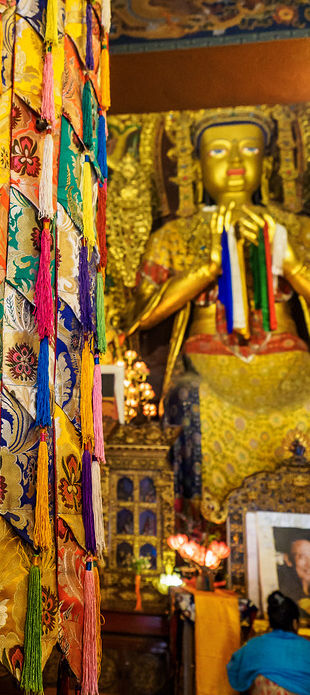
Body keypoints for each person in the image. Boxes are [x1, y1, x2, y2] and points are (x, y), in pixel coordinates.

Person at [129, 110, 310, 521]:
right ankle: (199, 528)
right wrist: (205, 268)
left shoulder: (296, 229)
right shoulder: (173, 235)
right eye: (218, 150)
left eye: (249, 149)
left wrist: (294, 265)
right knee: (189, 398)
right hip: (208, 362)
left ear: (267, 162)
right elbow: (140, 316)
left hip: (288, 363)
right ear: (197, 164)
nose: (234, 161)